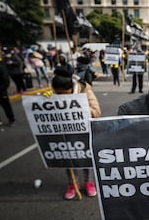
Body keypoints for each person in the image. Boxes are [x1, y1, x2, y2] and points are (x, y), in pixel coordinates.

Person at [51, 66, 101, 200]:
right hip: (64, 132)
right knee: (68, 159)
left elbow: (96, 111)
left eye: (65, 94)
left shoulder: (85, 89)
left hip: (83, 131)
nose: (62, 97)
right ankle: (73, 183)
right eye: (59, 94)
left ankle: (89, 182)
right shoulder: (54, 93)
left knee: (85, 158)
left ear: (71, 88)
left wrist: (81, 110)